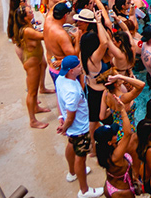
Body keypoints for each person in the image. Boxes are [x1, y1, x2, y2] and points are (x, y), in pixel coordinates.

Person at [57, 53, 97, 197]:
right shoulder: (72, 92)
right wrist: (64, 126)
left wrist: (61, 117)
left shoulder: (60, 79)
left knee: (70, 144)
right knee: (81, 157)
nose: (81, 68)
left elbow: (58, 98)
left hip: (73, 129)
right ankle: (84, 190)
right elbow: (71, 115)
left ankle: (72, 172)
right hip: (79, 127)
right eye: (78, 66)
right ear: (71, 71)